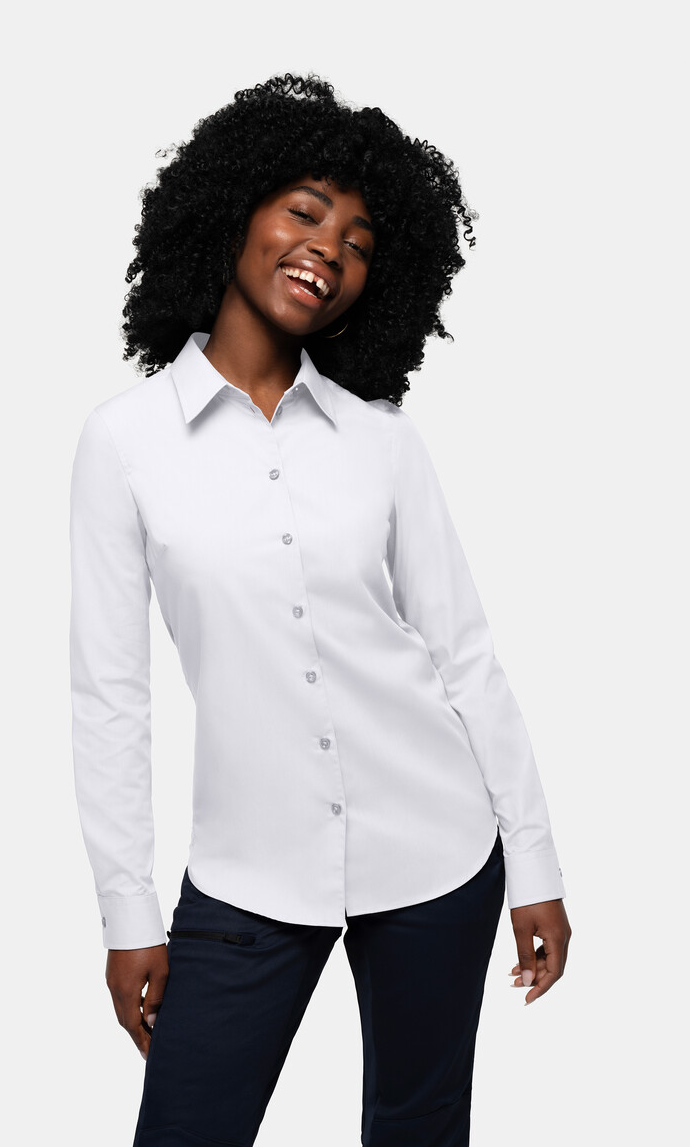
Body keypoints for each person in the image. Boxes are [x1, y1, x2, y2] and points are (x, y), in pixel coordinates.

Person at [69, 73, 572, 1147]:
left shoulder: (383, 441)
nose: (327, 251)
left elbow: (464, 657)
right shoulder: (124, 443)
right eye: (304, 212)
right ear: (232, 211)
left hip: (437, 852)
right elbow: (111, 694)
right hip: (248, 873)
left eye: (358, 242)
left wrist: (534, 861)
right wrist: (127, 911)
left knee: (418, 1130)